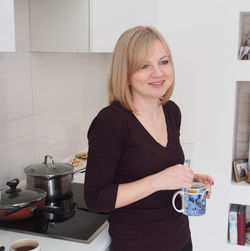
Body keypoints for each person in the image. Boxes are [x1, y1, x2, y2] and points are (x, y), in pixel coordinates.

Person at [84, 26, 213, 251]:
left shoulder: (171, 111)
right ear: (125, 74)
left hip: (181, 239)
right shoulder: (111, 121)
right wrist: (158, 181)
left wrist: (188, 180)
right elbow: (96, 199)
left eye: (163, 62)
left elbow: (160, 167)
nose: (158, 73)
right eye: (144, 66)